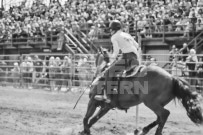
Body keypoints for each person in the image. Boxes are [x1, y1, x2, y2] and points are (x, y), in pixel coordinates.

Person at [94, 20, 141, 103]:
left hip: (127, 58)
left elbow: (116, 52)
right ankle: (115, 89)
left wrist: (111, 59)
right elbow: (137, 46)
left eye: (111, 29)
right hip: (135, 58)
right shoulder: (127, 34)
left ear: (114, 29)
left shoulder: (114, 37)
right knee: (117, 72)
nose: (110, 31)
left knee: (109, 72)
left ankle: (108, 96)